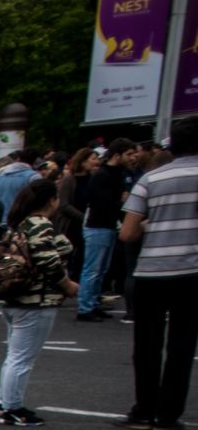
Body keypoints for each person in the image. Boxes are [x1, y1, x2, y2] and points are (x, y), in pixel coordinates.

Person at [118, 118, 198, 430]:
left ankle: (143, 410)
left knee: (146, 343)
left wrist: (155, 226)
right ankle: (168, 415)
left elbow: (127, 233)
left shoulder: (150, 179)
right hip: (191, 271)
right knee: (182, 344)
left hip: (150, 270)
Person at [0, 178, 76, 428]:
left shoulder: (17, 225)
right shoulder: (40, 226)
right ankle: (12, 408)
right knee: (22, 358)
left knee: (14, 355)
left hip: (13, 297)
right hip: (36, 299)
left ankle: (4, 401)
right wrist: (68, 284)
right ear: (51, 200)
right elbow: (48, 261)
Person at [76, 138, 130, 322]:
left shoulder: (115, 174)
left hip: (106, 225)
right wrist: (120, 201)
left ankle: (92, 303)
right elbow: (100, 201)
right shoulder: (103, 175)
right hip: (97, 226)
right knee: (93, 269)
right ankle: (85, 307)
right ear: (117, 155)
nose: (133, 158)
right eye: (129, 154)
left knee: (100, 270)